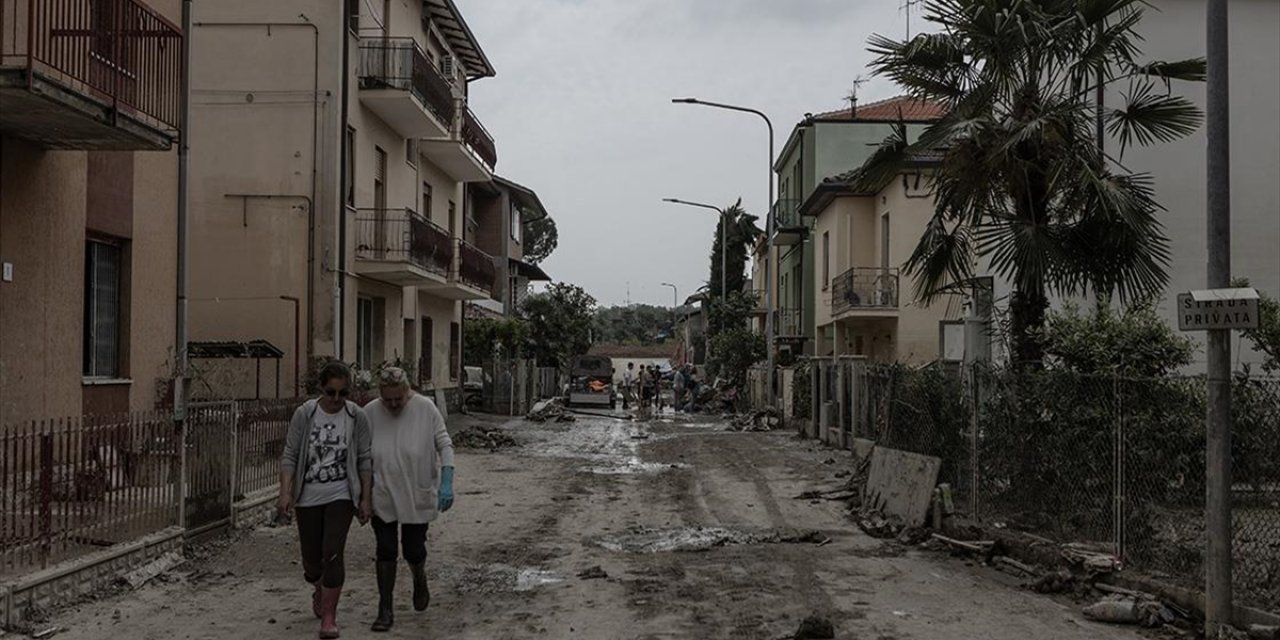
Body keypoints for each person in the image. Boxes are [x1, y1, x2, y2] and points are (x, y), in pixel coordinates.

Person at [278, 361, 373, 640]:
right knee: (311, 562)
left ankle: (329, 618)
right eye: (331, 392)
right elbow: (290, 454)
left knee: (332, 552)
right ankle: (317, 584)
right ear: (321, 388)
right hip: (308, 496)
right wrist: (285, 492)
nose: (335, 400)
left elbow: (365, 459)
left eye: (343, 394)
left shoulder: (357, 418)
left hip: (341, 494)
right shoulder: (305, 414)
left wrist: (365, 498)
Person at [363, 367, 456, 633]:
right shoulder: (370, 412)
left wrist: (447, 479)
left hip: (416, 491)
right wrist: (361, 494)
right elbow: (360, 454)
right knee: (386, 549)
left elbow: (444, 443)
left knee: (413, 549)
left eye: (398, 399)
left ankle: (419, 577)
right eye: (387, 399)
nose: (392, 405)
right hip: (382, 492)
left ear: (408, 391)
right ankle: (385, 608)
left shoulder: (426, 409)